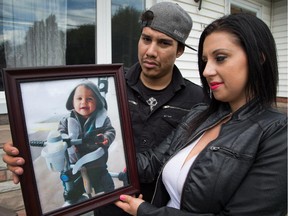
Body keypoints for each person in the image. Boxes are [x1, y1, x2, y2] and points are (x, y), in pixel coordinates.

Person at [3, 2, 209, 215]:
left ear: (180, 51)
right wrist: (22, 155)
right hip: (108, 205)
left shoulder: (198, 100)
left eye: (164, 43)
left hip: (159, 209)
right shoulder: (112, 86)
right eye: (146, 39)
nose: (151, 51)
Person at [115, 13, 287, 216]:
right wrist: (96, 157)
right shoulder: (201, 114)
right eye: (205, 61)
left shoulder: (277, 133)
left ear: (258, 58)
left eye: (220, 58)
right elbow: (153, 162)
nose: (206, 71)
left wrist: (145, 211)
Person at [57, 79, 116, 205]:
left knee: (107, 187)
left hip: (96, 164)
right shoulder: (66, 120)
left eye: (89, 99)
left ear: (98, 102)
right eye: (79, 98)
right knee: (71, 190)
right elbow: (60, 132)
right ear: (72, 102)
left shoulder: (102, 119)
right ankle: (74, 201)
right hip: (74, 165)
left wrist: (106, 138)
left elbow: (110, 130)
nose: (84, 102)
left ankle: (109, 202)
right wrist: (64, 138)